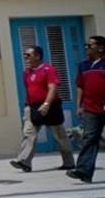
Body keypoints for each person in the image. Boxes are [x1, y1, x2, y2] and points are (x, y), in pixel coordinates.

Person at [9, 45, 75, 173]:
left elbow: (52, 88)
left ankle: (69, 162)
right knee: (29, 134)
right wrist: (28, 106)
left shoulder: (48, 69)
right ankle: (24, 161)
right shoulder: (27, 73)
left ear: (37, 56)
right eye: (24, 55)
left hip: (50, 106)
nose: (25, 57)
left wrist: (46, 104)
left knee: (59, 136)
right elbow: (30, 91)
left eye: (28, 55)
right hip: (32, 107)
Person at [69, 35, 105, 183]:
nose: (86, 49)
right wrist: (79, 106)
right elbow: (80, 87)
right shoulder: (83, 65)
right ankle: (83, 171)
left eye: (90, 46)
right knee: (89, 139)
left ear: (101, 48)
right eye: (86, 46)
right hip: (90, 108)